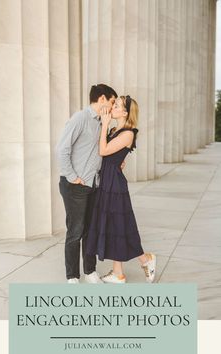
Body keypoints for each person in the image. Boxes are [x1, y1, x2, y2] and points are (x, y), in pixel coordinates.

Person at [86, 95, 156, 283]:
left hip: (114, 185)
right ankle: (119, 272)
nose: (112, 107)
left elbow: (103, 151)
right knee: (114, 225)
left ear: (125, 112)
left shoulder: (128, 133)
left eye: (116, 106)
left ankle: (145, 259)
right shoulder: (117, 129)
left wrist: (104, 125)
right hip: (107, 181)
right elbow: (108, 156)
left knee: (120, 225)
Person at [56, 84, 118, 284]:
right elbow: (62, 150)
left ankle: (90, 271)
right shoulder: (80, 118)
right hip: (75, 186)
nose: (113, 105)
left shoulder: (102, 122)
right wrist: (72, 176)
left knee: (90, 231)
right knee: (76, 231)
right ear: (102, 99)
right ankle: (72, 276)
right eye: (112, 101)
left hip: (94, 185)